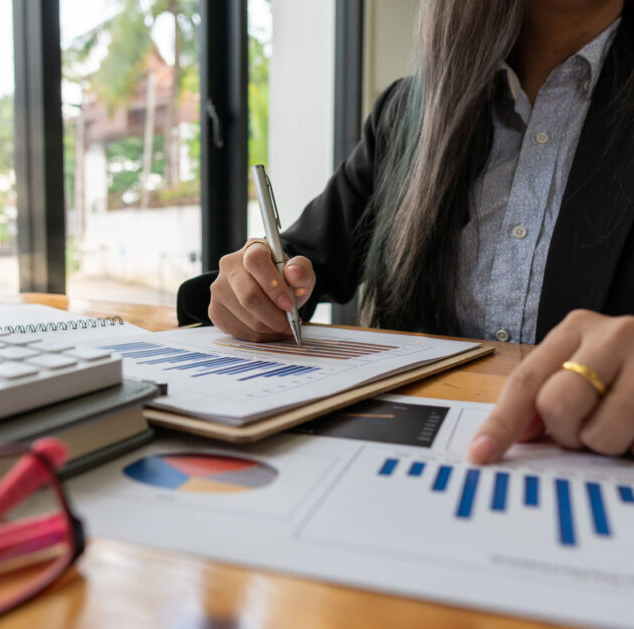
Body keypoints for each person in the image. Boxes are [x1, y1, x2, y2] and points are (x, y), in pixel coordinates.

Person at [177, 0, 634, 465]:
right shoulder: (407, 114)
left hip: (587, 462)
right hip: (404, 459)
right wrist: (254, 282)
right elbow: (302, 258)